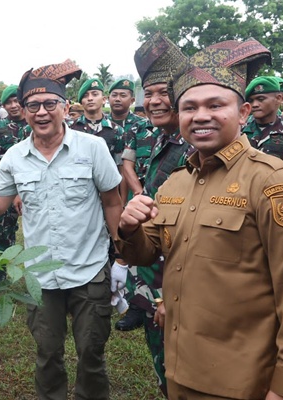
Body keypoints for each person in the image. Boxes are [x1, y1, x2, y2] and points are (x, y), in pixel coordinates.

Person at [116, 38, 283, 400]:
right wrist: (129, 228)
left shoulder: (273, 183)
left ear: (243, 112)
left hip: (243, 381)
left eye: (216, 105)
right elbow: (146, 254)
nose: (201, 116)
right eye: (189, 107)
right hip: (180, 368)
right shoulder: (176, 182)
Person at [0, 59, 122, 400]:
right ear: (22, 111)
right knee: (47, 355)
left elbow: (112, 201)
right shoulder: (15, 158)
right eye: (33, 106)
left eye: (50, 104)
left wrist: (121, 256)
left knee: (91, 354)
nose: (42, 112)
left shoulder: (92, 149)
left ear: (65, 107)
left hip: (89, 269)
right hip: (41, 276)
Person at [116, 32, 193, 396]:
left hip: (181, 283)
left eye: (165, 92)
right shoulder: (162, 139)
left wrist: (166, 295)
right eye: (150, 93)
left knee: (184, 370)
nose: (156, 100)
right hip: (154, 270)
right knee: (164, 366)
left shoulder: (196, 146)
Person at [0, 84, 30, 285]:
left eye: (16, 101)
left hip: (34, 186)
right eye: (8, 102)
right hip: (7, 188)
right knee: (4, 231)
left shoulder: (35, 125)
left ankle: (38, 273)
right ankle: (1, 271)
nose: (13, 105)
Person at [69, 78, 127, 199]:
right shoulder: (70, 129)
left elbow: (120, 168)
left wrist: (122, 202)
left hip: (108, 192)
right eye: (85, 96)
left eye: (95, 94)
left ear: (104, 99)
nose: (90, 98)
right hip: (77, 193)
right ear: (81, 102)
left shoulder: (116, 131)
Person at [242, 76, 283, 173]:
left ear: (279, 98)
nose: (254, 104)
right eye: (250, 100)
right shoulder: (240, 127)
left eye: (261, 99)